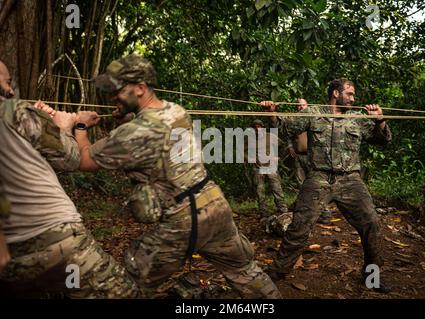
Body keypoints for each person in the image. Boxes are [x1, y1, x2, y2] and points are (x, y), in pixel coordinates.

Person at [71, 54, 281, 298]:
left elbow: (84, 161)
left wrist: (80, 127)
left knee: (135, 274)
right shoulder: (176, 110)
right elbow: (155, 133)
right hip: (214, 203)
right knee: (244, 270)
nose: (112, 97)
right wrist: (127, 118)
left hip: (183, 217)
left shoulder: (133, 132)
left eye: (117, 90)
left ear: (140, 89)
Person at [0, 61, 139, 298]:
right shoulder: (14, 111)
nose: (11, 90)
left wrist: (46, 125)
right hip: (56, 238)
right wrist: (67, 126)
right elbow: (75, 160)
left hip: (13, 256)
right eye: (6, 81)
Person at [262, 79, 392, 293]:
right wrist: (273, 112)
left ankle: (372, 276)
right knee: (299, 226)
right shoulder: (313, 113)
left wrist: (380, 121)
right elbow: (284, 128)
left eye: (353, 94)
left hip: (351, 180)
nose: (353, 98)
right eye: (349, 94)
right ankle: (277, 272)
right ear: (335, 93)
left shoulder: (357, 118)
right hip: (318, 178)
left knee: (372, 223)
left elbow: (383, 140)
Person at [267, 98, 331, 224]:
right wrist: (290, 146)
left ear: (307, 105)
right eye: (298, 106)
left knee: (319, 185)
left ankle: (325, 213)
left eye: (302, 105)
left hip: (314, 158)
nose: (300, 107)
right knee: (302, 185)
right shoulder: (296, 120)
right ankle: (308, 213)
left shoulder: (315, 117)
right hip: (299, 156)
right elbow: (287, 132)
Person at [247, 119, 288, 217]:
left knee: (277, 189)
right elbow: (243, 151)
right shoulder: (250, 139)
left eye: (259, 126)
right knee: (260, 191)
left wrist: (278, 157)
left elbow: (283, 146)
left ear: (263, 127)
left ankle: (283, 210)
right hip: (258, 168)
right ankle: (264, 213)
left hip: (271, 167)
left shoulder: (270, 136)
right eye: (255, 127)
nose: (257, 129)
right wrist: (249, 158)